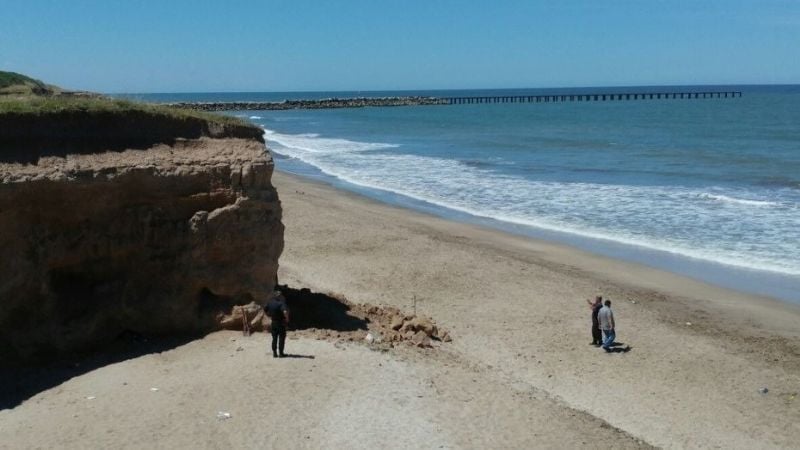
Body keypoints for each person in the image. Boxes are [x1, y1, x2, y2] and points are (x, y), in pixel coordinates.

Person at [265, 290, 290, 358]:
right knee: (281, 338)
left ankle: (274, 353)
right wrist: (287, 319)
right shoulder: (281, 303)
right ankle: (281, 354)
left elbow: (265, 309)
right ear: (280, 296)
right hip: (281, 322)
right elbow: (285, 312)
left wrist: (269, 315)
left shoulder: (270, 302)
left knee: (274, 338)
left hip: (273, 322)